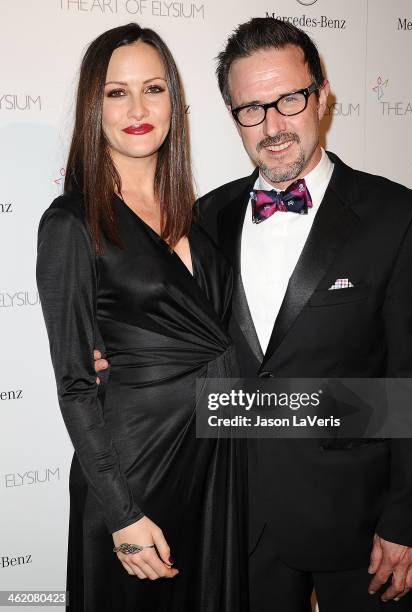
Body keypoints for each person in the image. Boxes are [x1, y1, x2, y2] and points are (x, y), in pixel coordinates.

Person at [194, 17, 412, 612]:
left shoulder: (399, 217)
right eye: (251, 109)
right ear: (233, 116)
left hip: (362, 528)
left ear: (322, 95)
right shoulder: (205, 218)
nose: (273, 125)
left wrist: (409, 521)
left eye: (289, 99)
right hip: (239, 523)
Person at [36, 23, 247, 612]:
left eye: (152, 89)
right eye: (115, 92)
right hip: (135, 473)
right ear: (91, 105)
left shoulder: (203, 218)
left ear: (175, 104)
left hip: (212, 463)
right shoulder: (71, 223)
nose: (136, 108)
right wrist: (121, 514)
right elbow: (76, 383)